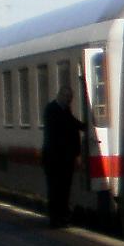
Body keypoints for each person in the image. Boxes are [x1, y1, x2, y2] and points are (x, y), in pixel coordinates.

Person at [41, 84, 86, 227]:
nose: (69, 100)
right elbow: (65, 128)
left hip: (66, 159)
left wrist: (86, 127)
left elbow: (73, 124)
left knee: (64, 189)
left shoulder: (65, 110)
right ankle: (55, 218)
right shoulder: (51, 110)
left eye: (70, 98)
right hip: (54, 158)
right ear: (60, 95)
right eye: (67, 97)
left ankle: (62, 216)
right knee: (55, 189)